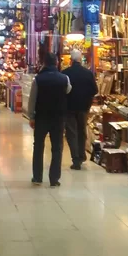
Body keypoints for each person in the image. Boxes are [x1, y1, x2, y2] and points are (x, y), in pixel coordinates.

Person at [27, 51, 72, 187]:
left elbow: (32, 99)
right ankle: (54, 178)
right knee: (57, 148)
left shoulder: (38, 79)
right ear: (57, 63)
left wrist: (31, 116)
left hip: (41, 117)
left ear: (44, 63)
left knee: (38, 146)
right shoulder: (65, 78)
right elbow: (68, 90)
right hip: (58, 118)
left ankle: (37, 177)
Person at [62, 49, 99, 169]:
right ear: (80, 58)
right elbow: (95, 90)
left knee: (72, 132)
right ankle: (82, 155)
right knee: (81, 131)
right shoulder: (88, 73)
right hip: (84, 107)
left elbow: (63, 91)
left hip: (69, 107)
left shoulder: (65, 73)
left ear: (71, 59)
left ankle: (76, 159)